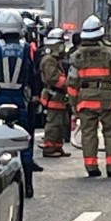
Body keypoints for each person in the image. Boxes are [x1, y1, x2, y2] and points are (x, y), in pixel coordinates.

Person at [0, 9, 39, 197]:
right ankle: (28, 185)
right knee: (24, 142)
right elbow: (35, 75)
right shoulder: (28, 48)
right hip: (21, 99)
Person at [67, 15, 111, 178]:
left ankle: (91, 166)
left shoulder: (77, 56)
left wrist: (73, 104)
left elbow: (72, 83)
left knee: (88, 133)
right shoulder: (110, 53)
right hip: (108, 98)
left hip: (85, 99)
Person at [39, 27, 71, 158]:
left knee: (62, 124)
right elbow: (53, 79)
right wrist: (69, 83)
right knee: (53, 124)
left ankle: (57, 147)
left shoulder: (55, 60)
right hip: (54, 97)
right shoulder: (49, 60)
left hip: (59, 97)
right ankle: (49, 148)